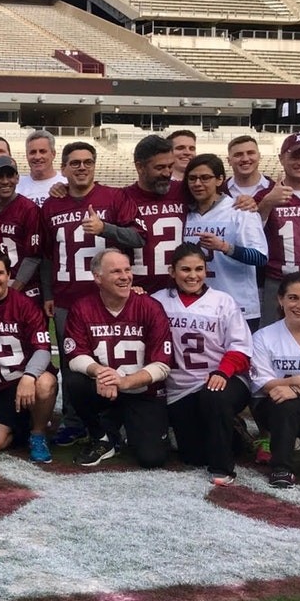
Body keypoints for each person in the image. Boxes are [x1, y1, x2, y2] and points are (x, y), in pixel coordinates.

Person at [41, 142, 145, 446]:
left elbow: (138, 237)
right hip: (67, 297)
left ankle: (118, 417)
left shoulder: (114, 197)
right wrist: (49, 293)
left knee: (112, 356)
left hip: (107, 297)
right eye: (74, 163)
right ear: (63, 169)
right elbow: (47, 255)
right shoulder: (51, 205)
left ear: (95, 165)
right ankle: (75, 421)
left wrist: (105, 228)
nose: (81, 167)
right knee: (74, 362)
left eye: (87, 162)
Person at [152, 243, 253, 485]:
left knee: (214, 396)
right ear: (172, 271)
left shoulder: (222, 301)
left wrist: (222, 372)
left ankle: (222, 469)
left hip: (221, 379)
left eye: (199, 269)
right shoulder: (157, 301)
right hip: (180, 387)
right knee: (193, 456)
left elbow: (241, 348)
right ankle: (234, 432)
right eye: (185, 269)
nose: (193, 275)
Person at [63, 248, 173, 468]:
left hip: (142, 392)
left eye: (127, 270)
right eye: (116, 271)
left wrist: (124, 381)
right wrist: (101, 373)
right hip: (105, 389)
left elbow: (162, 365)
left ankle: (131, 426)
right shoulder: (83, 308)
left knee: (153, 458)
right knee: (74, 381)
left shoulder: (150, 307)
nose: (125, 276)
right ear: (98, 277)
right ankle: (101, 437)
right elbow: (74, 355)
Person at [0, 250, 55, 463]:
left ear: (9, 275)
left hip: (23, 381)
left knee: (45, 382)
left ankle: (38, 434)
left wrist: (29, 376)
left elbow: (43, 348)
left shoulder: (25, 305)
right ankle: (21, 427)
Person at [250, 272, 300, 488]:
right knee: (286, 403)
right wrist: (296, 381)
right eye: (293, 298)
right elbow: (263, 383)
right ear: (280, 299)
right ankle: (281, 467)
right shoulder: (264, 336)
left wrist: (297, 387)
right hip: (280, 412)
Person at [183, 153, 268, 329]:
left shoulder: (240, 210)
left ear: (220, 179)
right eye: (192, 178)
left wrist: (225, 247)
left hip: (238, 305)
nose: (198, 183)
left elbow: (260, 257)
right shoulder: (186, 214)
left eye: (205, 178)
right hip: (199, 305)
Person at [254, 132, 300, 326]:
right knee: (272, 338)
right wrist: (267, 204)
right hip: (278, 281)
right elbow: (251, 237)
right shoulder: (265, 195)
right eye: (295, 156)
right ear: (281, 158)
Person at [125, 135, 186, 294]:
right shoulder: (122, 198)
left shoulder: (184, 190)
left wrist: (244, 199)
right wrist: (64, 188)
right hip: (140, 293)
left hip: (181, 293)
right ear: (140, 167)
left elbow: (217, 194)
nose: (167, 173)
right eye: (160, 168)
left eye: (170, 166)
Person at [0, 156, 44, 300]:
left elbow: (33, 256)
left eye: (10, 176)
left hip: (26, 289)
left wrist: (14, 289)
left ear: (17, 178)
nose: (5, 181)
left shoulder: (29, 210)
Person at [19, 130, 63, 207]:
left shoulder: (65, 183)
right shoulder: (17, 187)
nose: (37, 157)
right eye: (33, 152)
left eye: (42, 151)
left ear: (53, 154)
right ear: (26, 155)